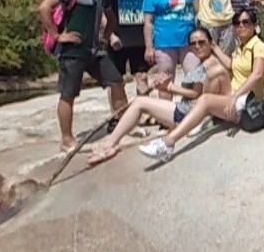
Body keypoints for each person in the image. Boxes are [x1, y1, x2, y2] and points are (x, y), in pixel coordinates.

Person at [85, 28, 230, 165]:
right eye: (193, 43)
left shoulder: (208, 65)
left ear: (210, 43)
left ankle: (110, 144)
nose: (197, 46)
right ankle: (112, 142)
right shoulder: (204, 62)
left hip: (188, 114)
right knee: (140, 102)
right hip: (185, 109)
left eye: (202, 42)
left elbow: (196, 95)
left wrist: (170, 87)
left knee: (140, 103)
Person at [139, 9, 264, 161]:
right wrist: (213, 47)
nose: (240, 26)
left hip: (247, 102)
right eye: (236, 23)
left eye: (245, 22)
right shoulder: (240, 48)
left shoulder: (258, 46)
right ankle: (199, 117)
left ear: (254, 24)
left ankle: (168, 143)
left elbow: (257, 74)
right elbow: (230, 65)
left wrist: (235, 97)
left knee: (206, 96)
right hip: (234, 95)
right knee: (215, 73)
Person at [38, 0, 127, 152]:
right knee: (68, 93)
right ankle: (67, 140)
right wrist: (57, 35)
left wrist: (105, 36)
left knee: (116, 81)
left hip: (94, 50)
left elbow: (111, 18)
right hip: (72, 51)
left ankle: (122, 125)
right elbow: (44, 7)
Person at [142, 0, 200, 101]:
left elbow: (199, 12)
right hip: (164, 43)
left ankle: (193, 108)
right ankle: (166, 111)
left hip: (189, 41)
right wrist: (149, 47)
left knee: (194, 76)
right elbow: (148, 22)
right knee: (165, 81)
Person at [104, 0, 151, 112]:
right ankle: (119, 116)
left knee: (142, 77)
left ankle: (144, 113)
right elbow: (103, 13)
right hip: (118, 41)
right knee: (116, 81)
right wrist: (111, 36)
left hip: (139, 41)